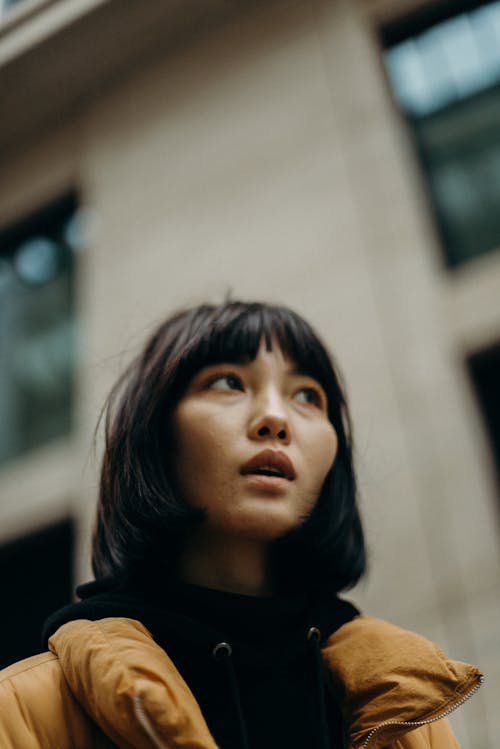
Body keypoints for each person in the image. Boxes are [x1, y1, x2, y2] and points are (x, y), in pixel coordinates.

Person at [0, 301, 482, 748]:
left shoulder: (407, 710)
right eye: (228, 382)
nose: (276, 418)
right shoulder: (25, 709)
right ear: (154, 432)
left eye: (308, 396)